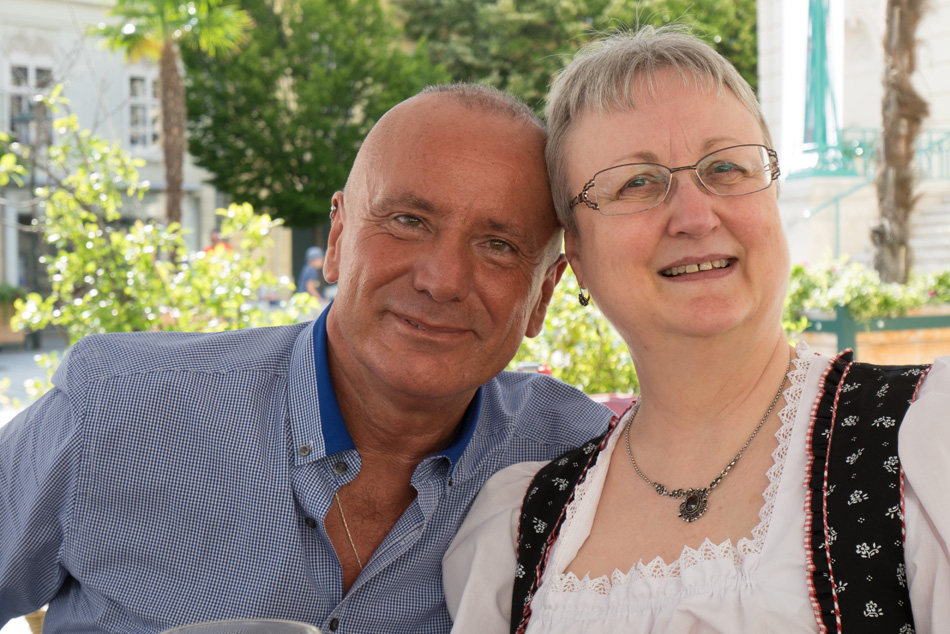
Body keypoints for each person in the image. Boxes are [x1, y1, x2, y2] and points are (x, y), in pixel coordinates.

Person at [0, 84, 614, 634]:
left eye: (498, 246)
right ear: (339, 239)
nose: (443, 279)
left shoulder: (580, 464)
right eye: (408, 220)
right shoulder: (119, 412)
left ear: (543, 295)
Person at [443, 27, 950, 633]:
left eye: (727, 168)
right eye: (637, 182)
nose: (694, 215)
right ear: (574, 254)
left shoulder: (923, 441)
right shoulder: (520, 528)